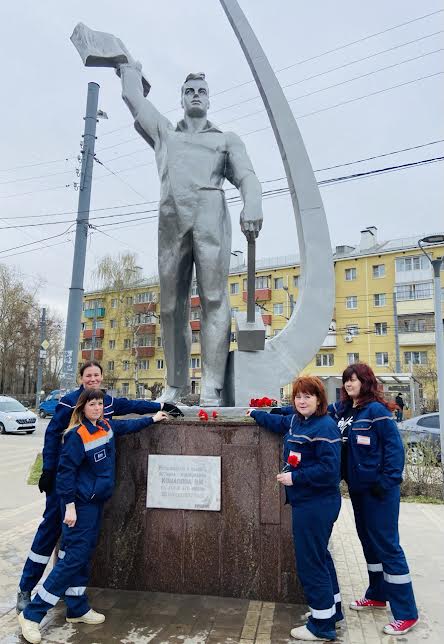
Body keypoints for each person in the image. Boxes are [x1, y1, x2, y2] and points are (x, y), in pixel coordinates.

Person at [118, 64, 263, 406]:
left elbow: (247, 176)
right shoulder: (166, 134)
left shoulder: (225, 139)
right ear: (181, 99)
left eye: (201, 91)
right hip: (172, 216)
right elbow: (134, 99)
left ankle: (212, 385)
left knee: (213, 298)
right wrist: (126, 65)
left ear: (209, 100)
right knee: (170, 305)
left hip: (210, 215)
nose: (196, 96)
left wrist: (253, 204)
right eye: (189, 91)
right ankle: (175, 384)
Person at [17, 360, 182, 613]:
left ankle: (66, 592)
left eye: (96, 375)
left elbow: (132, 406)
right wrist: (49, 470)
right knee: (50, 530)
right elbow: (52, 435)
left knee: (73, 543)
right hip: (65, 480)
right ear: (81, 378)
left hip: (88, 485)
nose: (93, 379)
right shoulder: (69, 402)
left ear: (102, 377)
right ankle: (26, 588)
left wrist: (160, 406)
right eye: (88, 375)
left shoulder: (107, 402)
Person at [247, 376, 342, 642]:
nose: (301, 401)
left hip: (316, 504)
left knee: (311, 562)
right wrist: (254, 413)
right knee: (320, 557)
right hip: (307, 502)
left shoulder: (325, 427)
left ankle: (321, 627)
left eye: (307, 396)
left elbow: (330, 470)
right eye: (298, 396)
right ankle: (331, 611)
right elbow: (277, 423)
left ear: (319, 400)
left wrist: (295, 478)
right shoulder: (297, 421)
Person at [329, 363, 419, 636]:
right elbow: (309, 409)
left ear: (366, 382)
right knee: (369, 544)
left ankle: (406, 613)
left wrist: (386, 482)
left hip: (380, 492)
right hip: (358, 490)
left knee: (387, 547)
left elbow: (394, 450)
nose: (349, 384)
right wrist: (263, 411)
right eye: (346, 380)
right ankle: (377, 594)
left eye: (354, 379)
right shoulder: (344, 410)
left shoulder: (377, 412)